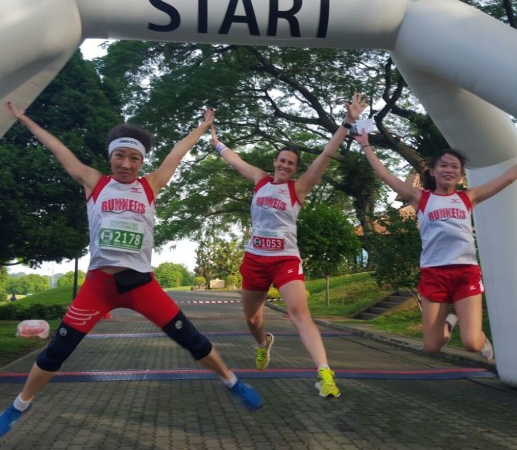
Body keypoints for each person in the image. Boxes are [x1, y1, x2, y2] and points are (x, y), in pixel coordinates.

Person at [0, 103, 262, 441]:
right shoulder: (94, 182)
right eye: (120, 157)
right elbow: (58, 148)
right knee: (57, 351)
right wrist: (25, 119)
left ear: (141, 162)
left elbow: (177, 152)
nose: (127, 164)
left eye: (134, 158)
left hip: (141, 285)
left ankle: (232, 382)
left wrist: (204, 127)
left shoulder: (150, 185)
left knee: (191, 339)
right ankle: (20, 405)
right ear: (111, 157)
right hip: (99, 286)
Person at [210, 92, 367, 398]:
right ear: (275, 162)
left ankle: (324, 372)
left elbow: (326, 154)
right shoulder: (260, 179)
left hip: (285, 260)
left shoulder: (299, 188)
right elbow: (233, 159)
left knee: (300, 313)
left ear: (295, 168)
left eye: (290, 163)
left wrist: (347, 121)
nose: (284, 165)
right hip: (255, 259)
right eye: (281, 160)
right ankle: (263, 344)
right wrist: (214, 138)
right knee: (252, 319)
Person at [353, 129, 517, 360]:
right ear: (432, 171)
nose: (449, 170)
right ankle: (449, 323)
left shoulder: (468, 197)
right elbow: (384, 175)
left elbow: (508, 177)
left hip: (465, 272)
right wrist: (365, 145)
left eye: (455, 167)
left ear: (461, 174)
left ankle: (478, 338)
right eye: (443, 165)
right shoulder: (421, 198)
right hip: (434, 273)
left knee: (471, 343)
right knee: (431, 347)